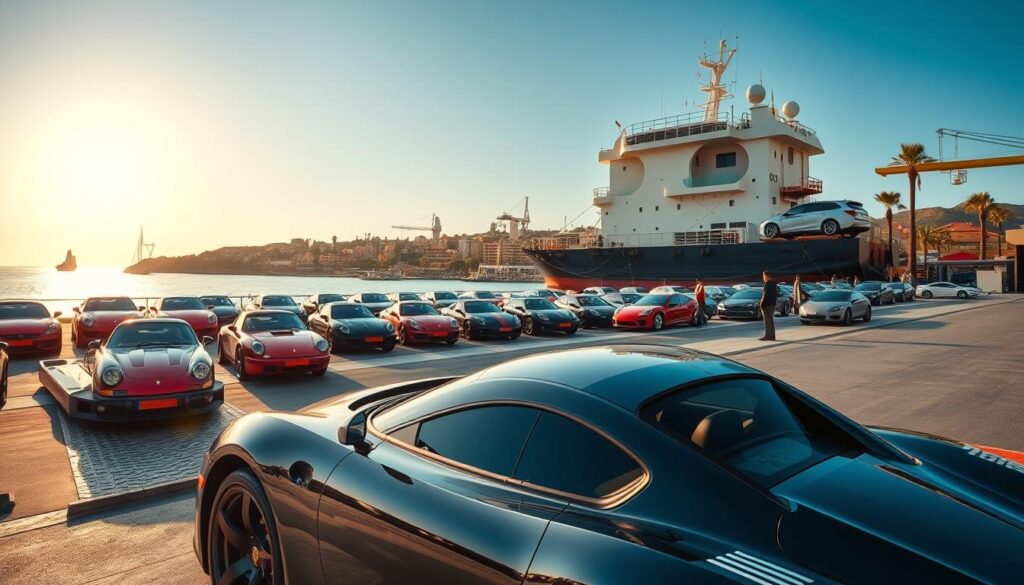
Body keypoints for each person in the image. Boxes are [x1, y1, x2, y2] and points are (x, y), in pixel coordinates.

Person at [759, 271, 777, 341]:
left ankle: (767, 336)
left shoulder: (767, 284)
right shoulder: (774, 284)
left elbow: (765, 295)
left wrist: (761, 304)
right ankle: (772, 336)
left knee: (767, 322)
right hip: (772, 304)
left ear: (768, 276)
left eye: (764, 276)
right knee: (771, 321)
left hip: (766, 305)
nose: (763, 278)